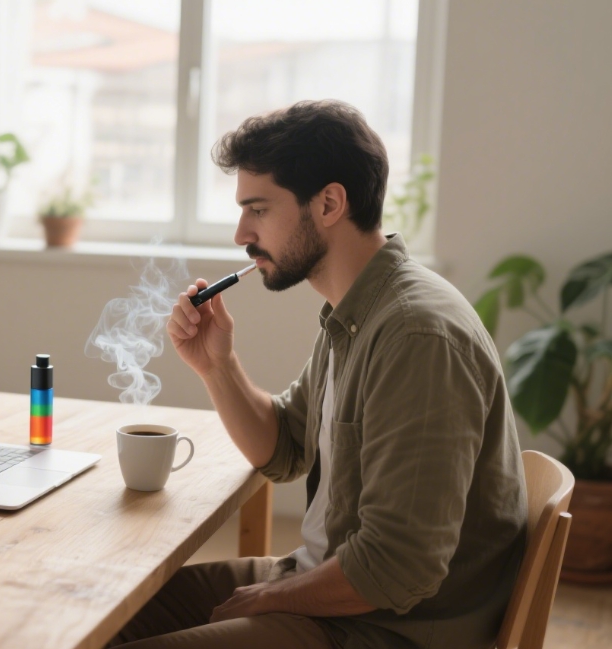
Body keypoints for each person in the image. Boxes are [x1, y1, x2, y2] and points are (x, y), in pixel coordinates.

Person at [110, 100, 528, 649]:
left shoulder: (416, 336)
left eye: (257, 209)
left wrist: (268, 598)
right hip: (321, 582)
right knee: (105, 610)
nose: (241, 233)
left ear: (329, 203)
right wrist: (216, 366)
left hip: (380, 624)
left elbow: (397, 567)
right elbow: (284, 448)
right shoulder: (356, 311)